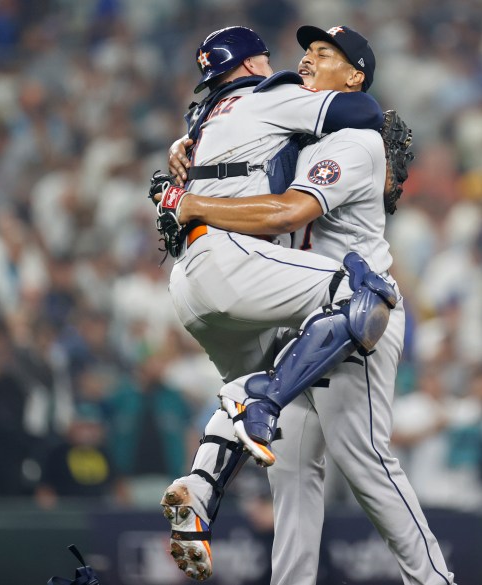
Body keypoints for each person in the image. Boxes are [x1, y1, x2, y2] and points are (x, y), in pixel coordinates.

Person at [155, 25, 454, 584]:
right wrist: (187, 149)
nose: (308, 60)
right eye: (307, 52)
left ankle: (434, 580)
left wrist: (194, 203)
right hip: (303, 311)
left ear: (355, 76)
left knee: (366, 466)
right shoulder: (294, 128)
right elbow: (236, 141)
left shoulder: (350, 140)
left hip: (361, 314)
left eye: (324, 54)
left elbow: (288, 212)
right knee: (290, 477)